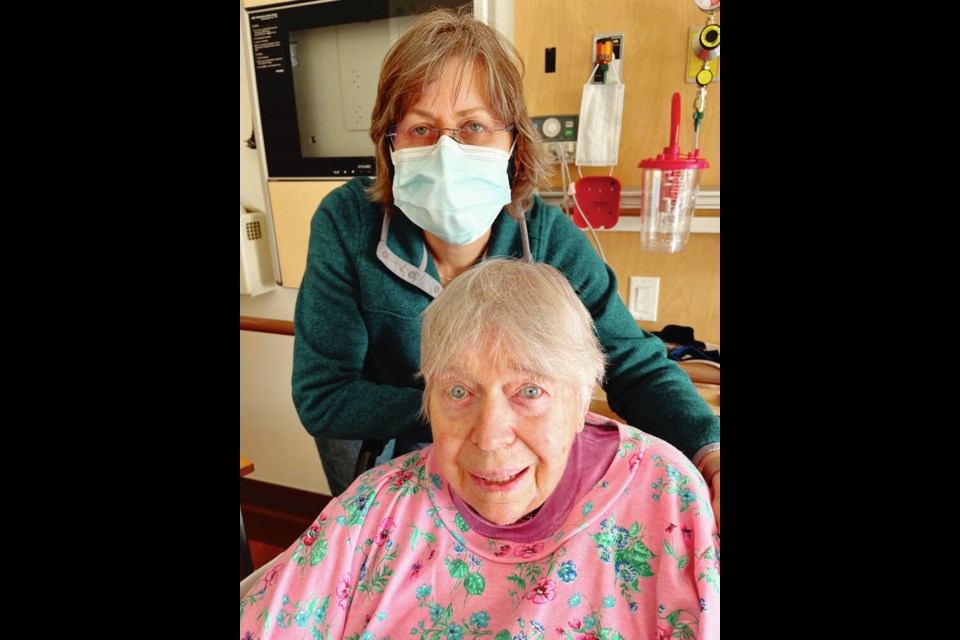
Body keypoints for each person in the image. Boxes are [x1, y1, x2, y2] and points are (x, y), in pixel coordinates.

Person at [292, 7, 720, 527]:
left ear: (513, 142)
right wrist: (462, 413)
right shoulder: (347, 225)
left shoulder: (546, 241)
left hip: (514, 473)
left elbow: (636, 365)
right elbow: (325, 396)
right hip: (392, 467)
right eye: (422, 129)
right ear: (391, 144)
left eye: (473, 126)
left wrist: (708, 447)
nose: (447, 152)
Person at [244, 259, 719, 639]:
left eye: (529, 391)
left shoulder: (667, 498)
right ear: (426, 399)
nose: (489, 436)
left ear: (581, 400)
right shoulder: (375, 512)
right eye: (457, 392)